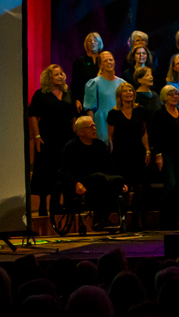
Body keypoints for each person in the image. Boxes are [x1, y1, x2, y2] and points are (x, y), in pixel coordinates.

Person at [27, 64, 78, 223]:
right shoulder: (41, 94)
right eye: (56, 74)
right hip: (47, 135)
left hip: (66, 136)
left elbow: (73, 115)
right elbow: (32, 115)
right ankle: (43, 203)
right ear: (49, 77)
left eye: (61, 73)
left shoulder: (68, 93)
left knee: (63, 168)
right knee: (46, 168)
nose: (60, 76)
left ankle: (59, 203)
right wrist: (36, 136)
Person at [58, 115, 122, 233]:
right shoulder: (71, 147)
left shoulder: (100, 145)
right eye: (90, 126)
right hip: (82, 180)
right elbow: (64, 171)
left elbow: (111, 165)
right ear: (80, 132)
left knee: (117, 180)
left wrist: (121, 182)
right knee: (99, 178)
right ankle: (98, 218)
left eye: (94, 125)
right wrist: (76, 183)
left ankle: (103, 217)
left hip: (101, 178)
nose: (94, 128)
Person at [147, 84, 179, 228]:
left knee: (178, 187)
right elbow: (155, 135)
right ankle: (165, 219)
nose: (175, 97)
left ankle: (175, 220)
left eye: (176, 94)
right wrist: (158, 154)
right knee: (171, 185)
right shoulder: (159, 113)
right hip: (166, 154)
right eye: (171, 94)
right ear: (164, 96)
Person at [106, 80, 152, 223]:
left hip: (138, 152)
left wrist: (147, 150)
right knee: (124, 188)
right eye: (125, 91)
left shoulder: (140, 110)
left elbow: (144, 132)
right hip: (121, 154)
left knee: (139, 188)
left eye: (130, 90)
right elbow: (110, 137)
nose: (129, 93)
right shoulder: (113, 113)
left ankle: (136, 221)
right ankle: (123, 220)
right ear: (119, 95)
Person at [82, 50, 121, 143]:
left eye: (110, 60)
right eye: (105, 61)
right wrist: (91, 129)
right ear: (100, 65)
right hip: (102, 123)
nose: (109, 62)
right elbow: (90, 109)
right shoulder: (94, 83)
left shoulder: (122, 83)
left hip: (119, 122)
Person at [72, 32, 105, 99]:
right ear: (86, 44)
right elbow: (75, 82)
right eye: (90, 41)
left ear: (99, 43)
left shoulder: (104, 59)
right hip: (85, 96)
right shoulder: (80, 61)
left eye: (95, 41)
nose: (92, 42)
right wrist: (76, 99)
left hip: (102, 96)